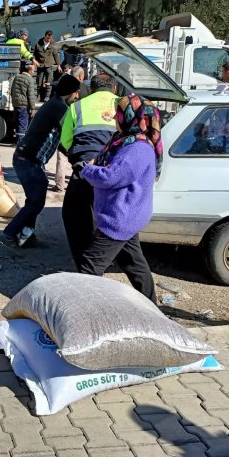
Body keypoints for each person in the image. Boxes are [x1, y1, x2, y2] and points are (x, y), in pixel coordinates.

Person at [75, 94, 162, 302]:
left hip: (121, 217)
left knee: (88, 266)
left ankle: (83, 312)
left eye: (119, 113)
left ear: (131, 117)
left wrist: (88, 170)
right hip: (128, 213)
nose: (115, 117)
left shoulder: (137, 148)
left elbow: (112, 176)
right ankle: (151, 307)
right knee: (134, 263)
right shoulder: (126, 140)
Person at [0, 75, 82, 249]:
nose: (77, 97)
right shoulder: (60, 108)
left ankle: (26, 236)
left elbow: (60, 141)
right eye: (76, 93)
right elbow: (69, 134)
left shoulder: (55, 104)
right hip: (28, 160)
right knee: (36, 202)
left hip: (29, 160)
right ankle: (9, 234)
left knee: (34, 200)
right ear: (70, 92)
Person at [60, 74, 120, 264]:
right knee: (111, 215)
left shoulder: (77, 106)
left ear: (91, 89)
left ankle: (84, 259)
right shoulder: (123, 105)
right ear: (114, 89)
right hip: (115, 170)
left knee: (75, 214)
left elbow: (65, 141)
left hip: (85, 170)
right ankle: (108, 258)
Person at [11, 60, 38, 144]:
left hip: (16, 104)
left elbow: (12, 90)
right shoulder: (30, 80)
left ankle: (18, 141)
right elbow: (31, 95)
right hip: (24, 105)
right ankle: (20, 144)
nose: (34, 72)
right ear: (29, 71)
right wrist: (33, 108)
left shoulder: (17, 77)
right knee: (23, 124)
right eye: (33, 71)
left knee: (18, 123)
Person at [34, 30, 62, 101]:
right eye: (47, 38)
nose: (49, 40)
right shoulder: (38, 43)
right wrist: (34, 62)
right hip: (40, 65)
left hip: (49, 65)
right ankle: (38, 96)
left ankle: (47, 97)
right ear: (45, 36)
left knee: (49, 82)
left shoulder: (53, 44)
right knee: (39, 82)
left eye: (50, 38)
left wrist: (58, 65)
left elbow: (56, 55)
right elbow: (35, 54)